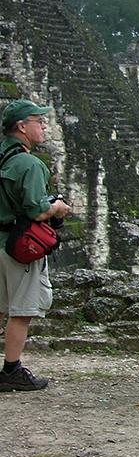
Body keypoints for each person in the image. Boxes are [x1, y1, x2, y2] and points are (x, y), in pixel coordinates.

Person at [0, 100, 71, 392]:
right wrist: (56, 207)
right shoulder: (29, 164)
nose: (44, 127)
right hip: (19, 246)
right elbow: (35, 211)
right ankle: (12, 370)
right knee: (21, 311)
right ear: (21, 126)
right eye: (38, 122)